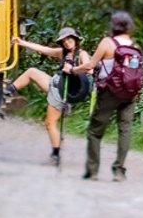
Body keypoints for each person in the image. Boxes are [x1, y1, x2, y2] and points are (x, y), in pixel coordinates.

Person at [76, 10, 143, 182]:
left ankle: (92, 171)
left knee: (95, 130)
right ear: (129, 26)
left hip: (109, 93)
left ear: (113, 25)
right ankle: (119, 170)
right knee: (125, 130)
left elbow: (91, 64)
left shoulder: (108, 42)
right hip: (130, 94)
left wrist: (73, 70)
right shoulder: (134, 46)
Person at [12, 26, 87, 167]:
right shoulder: (62, 53)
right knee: (32, 72)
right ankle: (7, 91)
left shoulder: (81, 54)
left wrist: (72, 70)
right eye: (63, 41)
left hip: (66, 91)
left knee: (49, 123)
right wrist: (22, 42)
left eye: (69, 39)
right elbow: (43, 49)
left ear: (75, 40)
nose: (66, 43)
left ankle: (55, 155)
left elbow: (89, 68)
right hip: (56, 86)